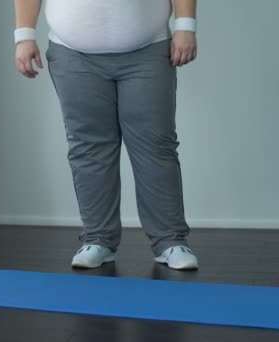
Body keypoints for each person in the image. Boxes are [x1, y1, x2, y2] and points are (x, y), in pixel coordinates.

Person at [14, 0, 199, 270]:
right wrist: (24, 35)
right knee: (88, 147)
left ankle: (170, 241)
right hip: (73, 53)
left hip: (148, 49)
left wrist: (186, 26)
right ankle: (98, 239)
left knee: (156, 146)